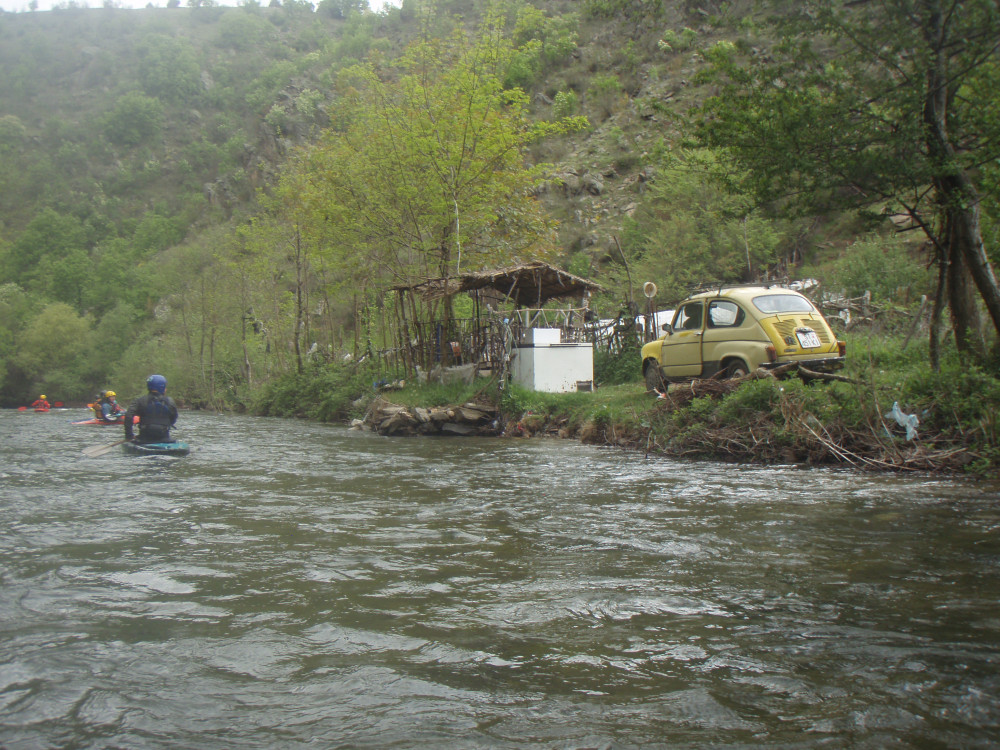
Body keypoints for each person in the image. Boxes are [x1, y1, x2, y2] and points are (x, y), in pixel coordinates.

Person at [124, 374, 178, 444]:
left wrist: (129, 436)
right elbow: (173, 418)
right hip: (164, 437)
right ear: (162, 387)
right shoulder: (170, 401)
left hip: (144, 438)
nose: (166, 389)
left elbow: (128, 416)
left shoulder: (139, 401)